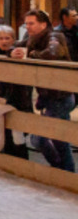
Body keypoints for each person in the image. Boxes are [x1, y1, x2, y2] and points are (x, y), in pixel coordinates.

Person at [11, 10, 74, 172]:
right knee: (59, 140)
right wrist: (12, 52)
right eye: (26, 23)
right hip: (49, 96)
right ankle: (65, 172)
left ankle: (62, 171)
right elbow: (15, 47)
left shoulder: (55, 36)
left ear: (43, 24)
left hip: (60, 96)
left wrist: (30, 54)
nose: (28, 27)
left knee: (41, 138)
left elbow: (52, 53)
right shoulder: (31, 38)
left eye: (31, 23)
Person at [0, 25, 32, 158]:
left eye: (7, 38)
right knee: (4, 134)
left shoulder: (18, 53)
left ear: (13, 39)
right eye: (0, 38)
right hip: (0, 99)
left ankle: (22, 165)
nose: (4, 41)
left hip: (18, 101)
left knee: (18, 137)